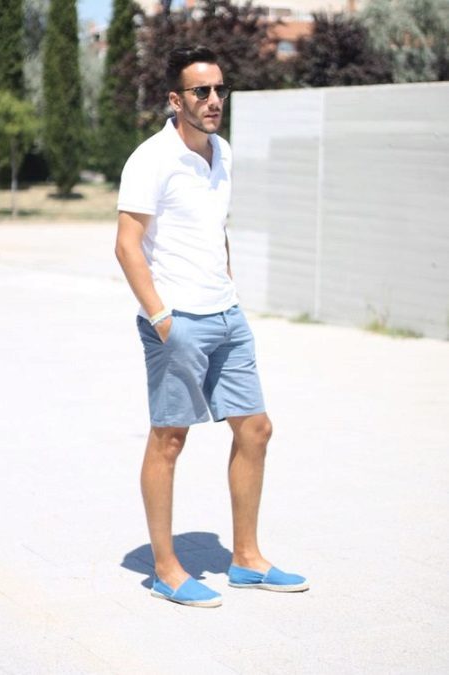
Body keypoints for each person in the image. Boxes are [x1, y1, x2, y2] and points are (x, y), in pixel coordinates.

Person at [115, 45, 309, 608]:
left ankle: (245, 559)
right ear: (175, 101)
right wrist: (161, 317)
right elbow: (127, 245)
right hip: (176, 321)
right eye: (201, 91)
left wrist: (227, 284)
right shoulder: (150, 159)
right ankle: (166, 570)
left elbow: (214, 227)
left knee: (256, 429)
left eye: (220, 89)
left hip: (227, 315)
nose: (214, 99)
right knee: (170, 438)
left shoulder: (222, 152)